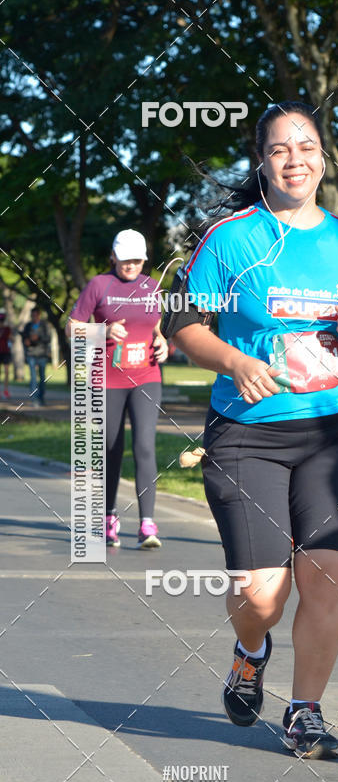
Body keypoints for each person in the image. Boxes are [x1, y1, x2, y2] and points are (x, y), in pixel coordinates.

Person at [167, 101, 338, 760]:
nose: (295, 158)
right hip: (247, 435)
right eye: (279, 149)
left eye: (307, 146)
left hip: (335, 435)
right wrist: (236, 361)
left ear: (325, 157)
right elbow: (182, 325)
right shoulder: (232, 239)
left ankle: (305, 712)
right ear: (262, 162)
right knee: (262, 596)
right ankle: (250, 650)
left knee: (324, 577)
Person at [67, 229, 168, 548]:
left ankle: (147, 525)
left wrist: (163, 341)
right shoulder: (99, 285)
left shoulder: (152, 287)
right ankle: (109, 516)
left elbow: (157, 325)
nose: (131, 265)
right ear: (114, 257)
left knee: (145, 446)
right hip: (108, 379)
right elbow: (72, 329)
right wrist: (104, 329)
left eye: (137, 260)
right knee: (111, 448)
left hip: (147, 377)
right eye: (125, 259)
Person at [23, 307, 51, 406]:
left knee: (42, 377)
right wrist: (26, 341)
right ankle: (35, 399)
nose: (34, 317)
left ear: (39, 315)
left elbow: (48, 338)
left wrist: (38, 338)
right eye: (32, 315)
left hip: (42, 354)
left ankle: (41, 397)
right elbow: (24, 337)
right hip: (31, 354)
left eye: (36, 315)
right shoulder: (28, 326)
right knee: (33, 377)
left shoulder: (44, 326)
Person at [0, 312, 12, 399]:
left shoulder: (7, 329)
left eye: (2, 321)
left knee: (7, 372)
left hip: (6, 352)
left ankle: (6, 390)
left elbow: (11, 338)